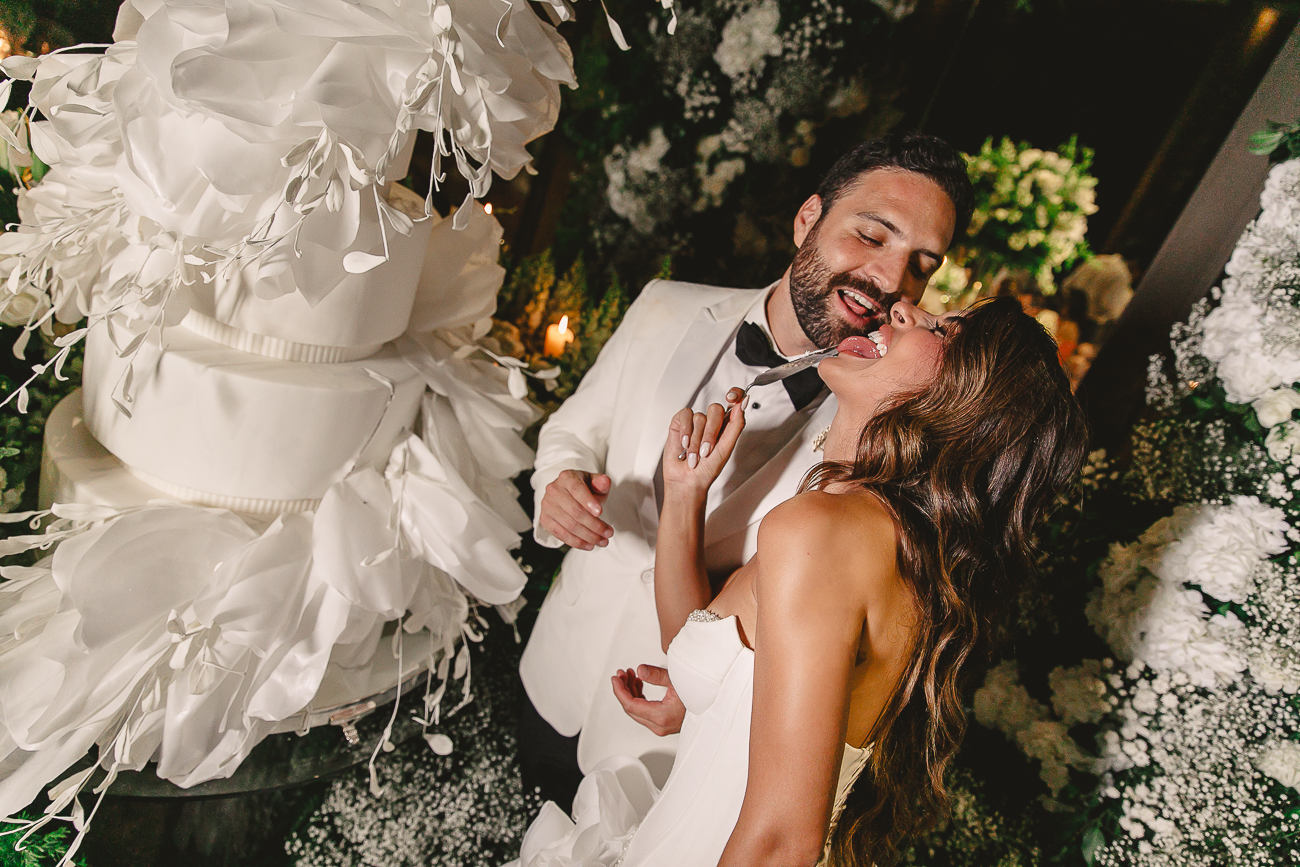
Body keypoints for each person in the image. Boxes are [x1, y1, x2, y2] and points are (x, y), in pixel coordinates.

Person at [511, 296, 1088, 867]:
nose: (906, 308)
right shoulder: (857, 525)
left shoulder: (825, 532)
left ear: (964, 408)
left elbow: (783, 842)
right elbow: (694, 631)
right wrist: (686, 493)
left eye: (943, 331)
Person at [519, 133, 976, 808]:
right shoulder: (666, 304)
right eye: (872, 236)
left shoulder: (879, 447)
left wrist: (710, 695)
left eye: (921, 265)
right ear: (807, 220)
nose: (890, 279)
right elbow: (572, 431)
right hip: (554, 672)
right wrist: (556, 482)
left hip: (666, 747)